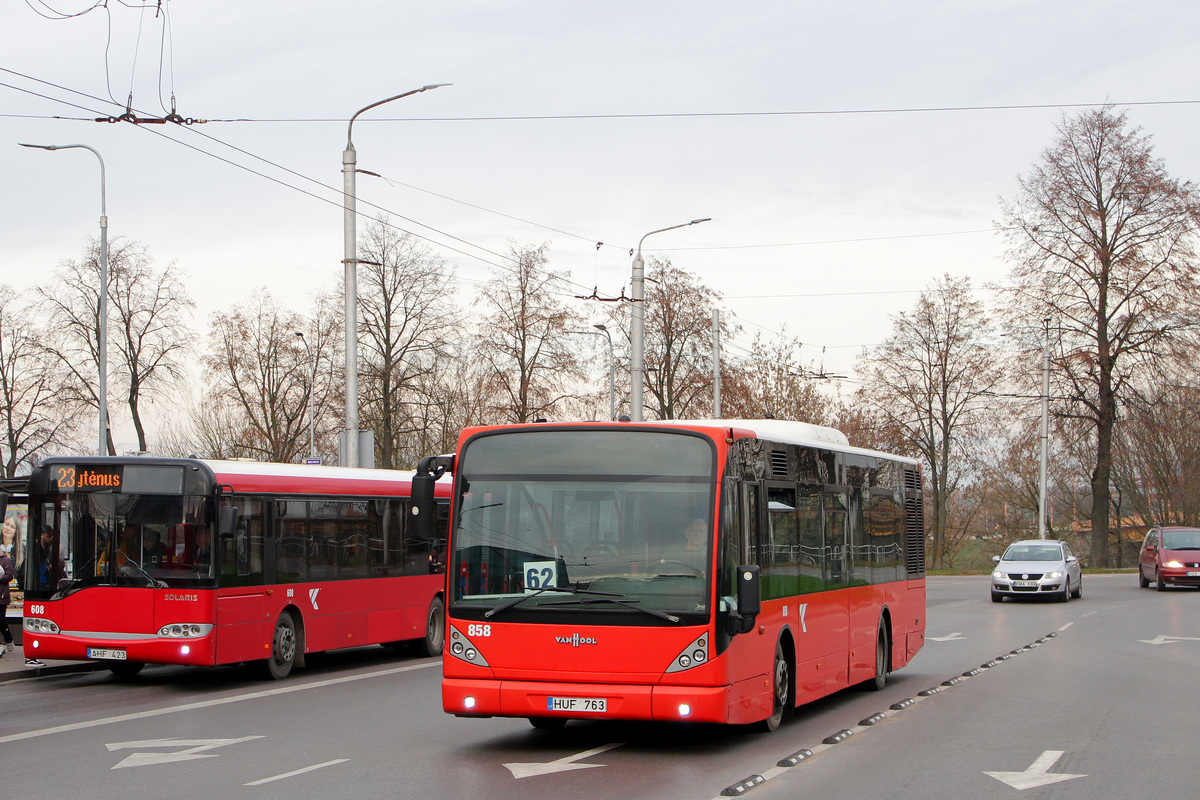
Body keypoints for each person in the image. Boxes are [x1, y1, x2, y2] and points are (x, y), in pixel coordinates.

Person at [0, 547, 14, 659]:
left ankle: (8, 638)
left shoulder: (5, 560)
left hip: (2, 595)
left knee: (1, 619)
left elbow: (9, 576)